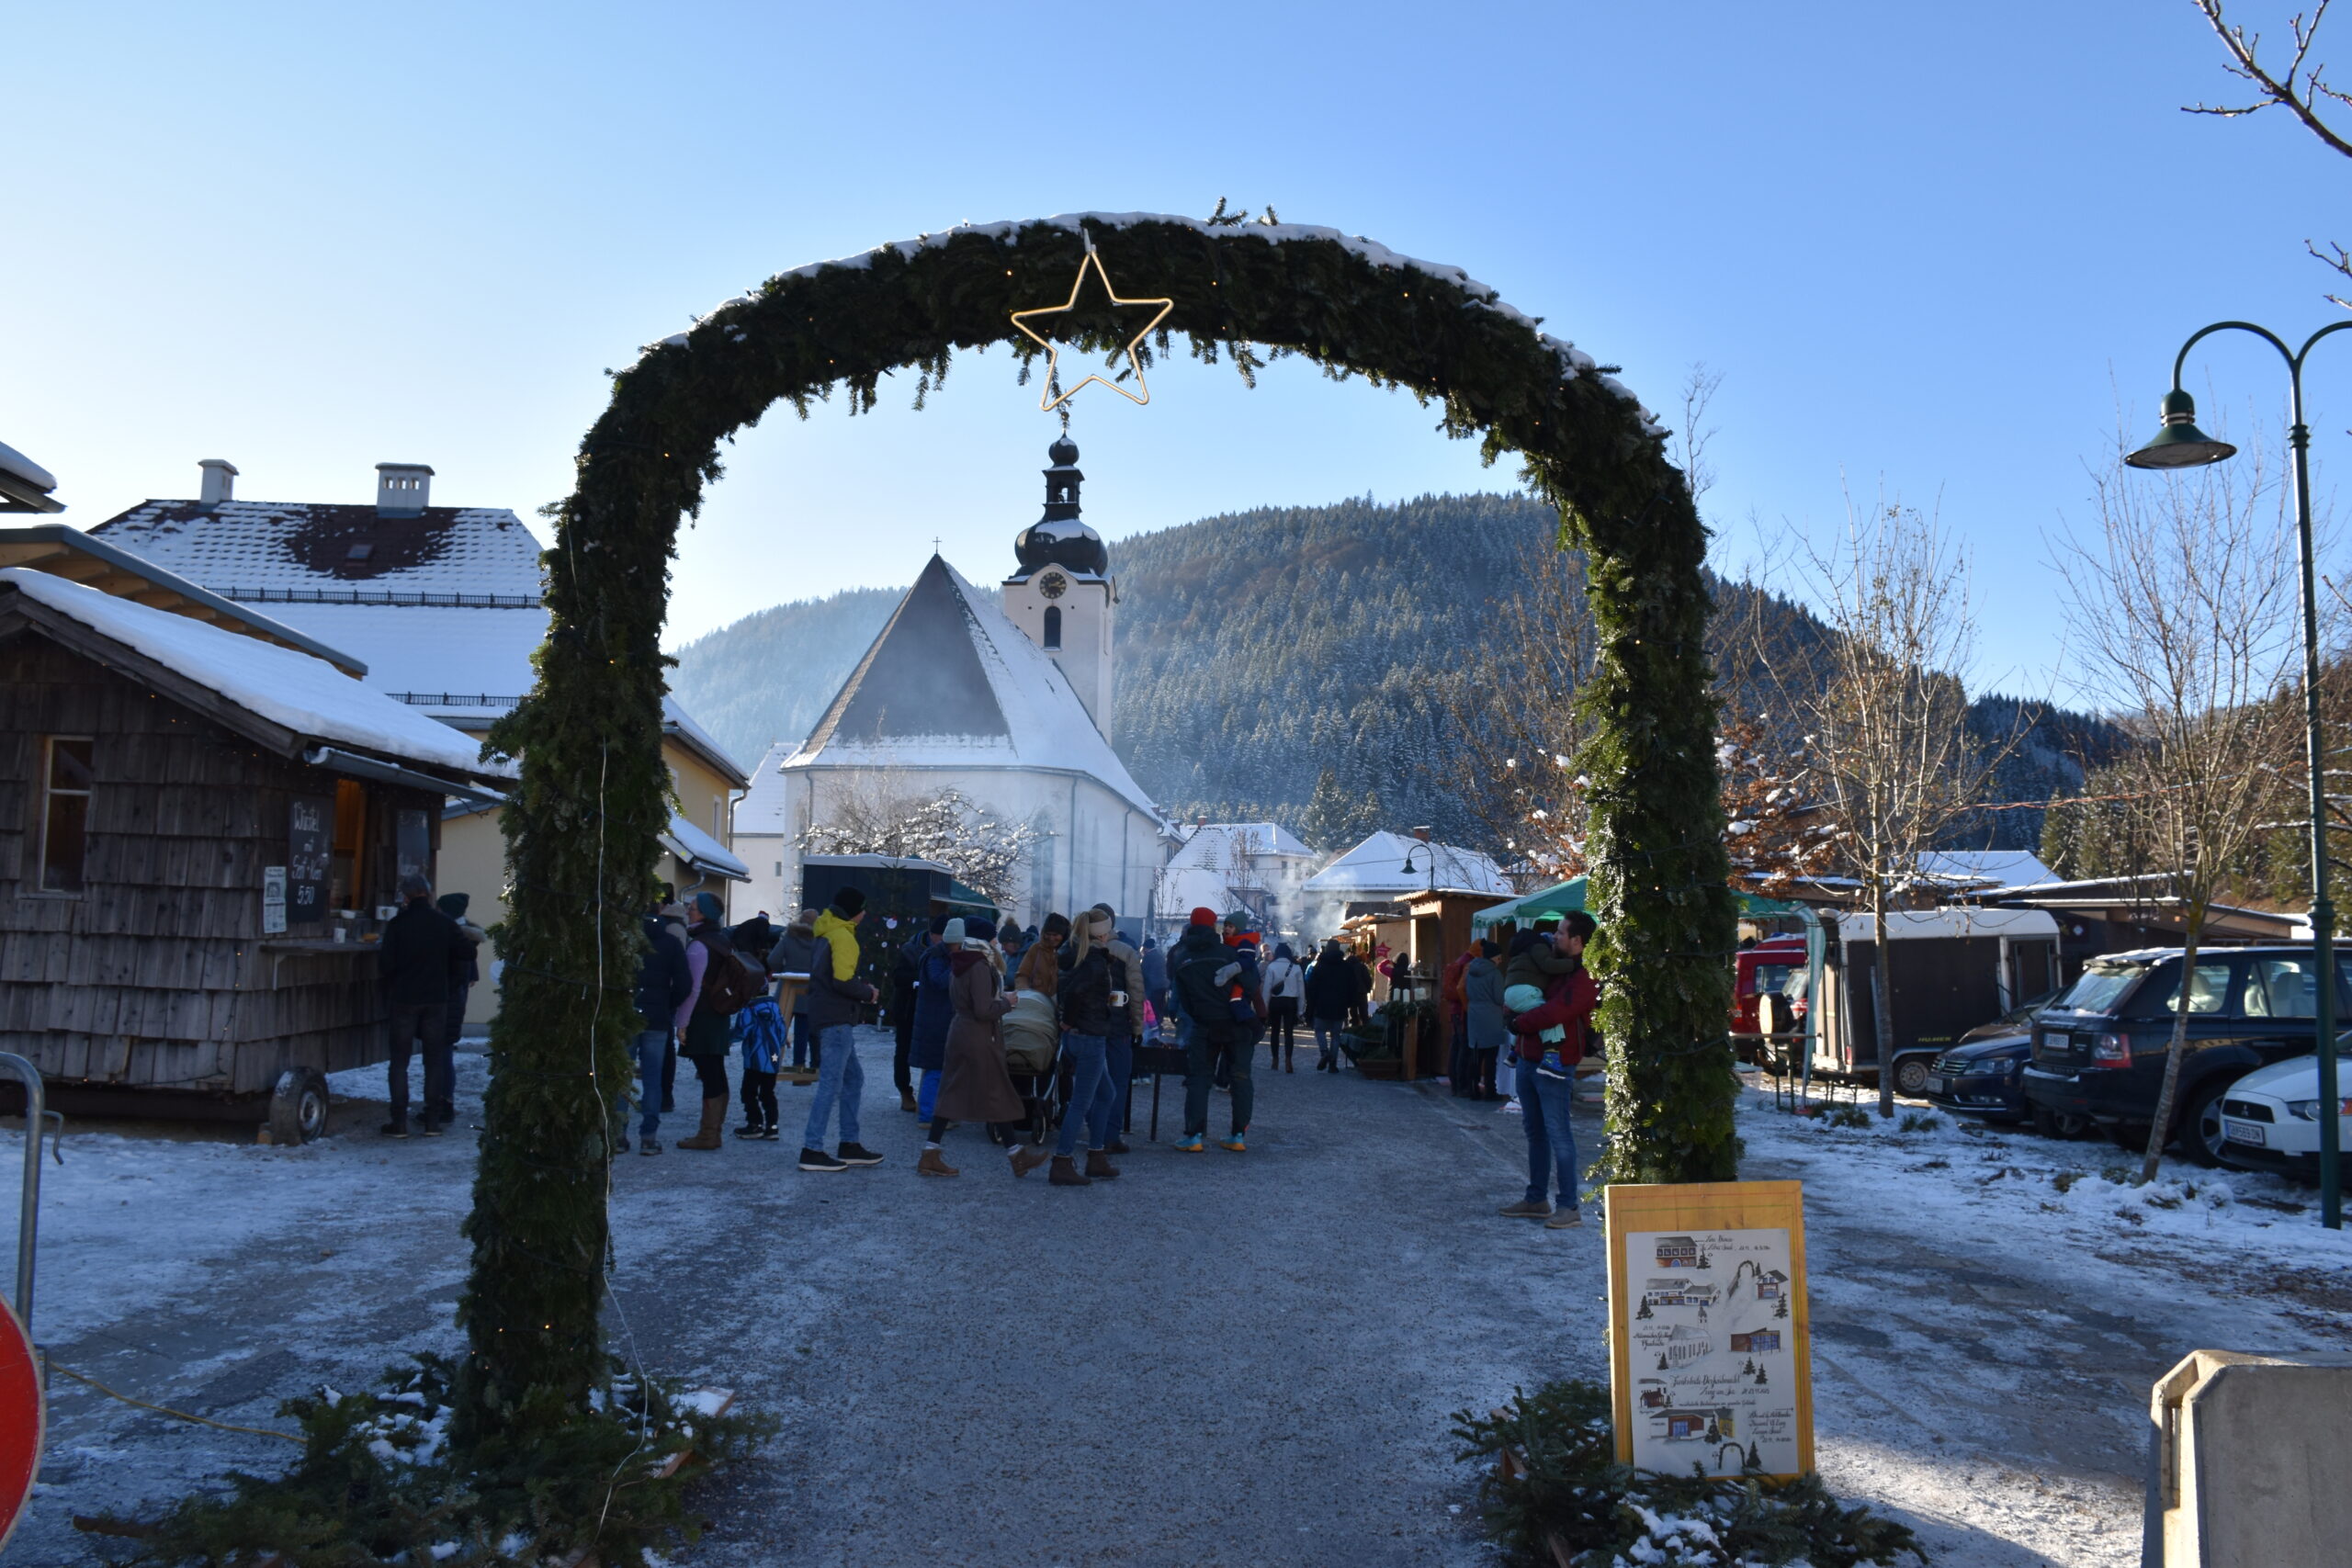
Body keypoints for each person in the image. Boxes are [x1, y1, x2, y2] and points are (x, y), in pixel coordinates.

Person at [925, 919, 1050, 1179]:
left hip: (960, 1032)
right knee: (996, 1094)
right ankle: (1017, 1156)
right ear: (984, 940)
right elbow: (984, 1010)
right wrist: (1008, 1003)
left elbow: (970, 1002)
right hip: (978, 1037)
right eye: (993, 938)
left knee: (955, 1093)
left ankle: (931, 1153)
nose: (996, 943)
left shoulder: (960, 963)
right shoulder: (979, 966)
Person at [1498, 911, 1600, 1228]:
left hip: (1555, 1065)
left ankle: (1568, 1207)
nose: (1554, 936)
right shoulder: (1554, 967)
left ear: (1577, 941)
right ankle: (1536, 1199)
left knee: (1558, 1134)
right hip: (1528, 1058)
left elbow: (1555, 1011)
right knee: (1536, 1133)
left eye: (1560, 932)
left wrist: (1518, 1021)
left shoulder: (1585, 976)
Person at [797, 887, 885, 1172]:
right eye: (863, 908)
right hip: (836, 1020)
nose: (866, 913)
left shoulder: (825, 932)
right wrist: (868, 993)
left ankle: (849, 1144)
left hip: (827, 1016)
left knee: (853, 1079)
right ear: (853, 912)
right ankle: (812, 1148)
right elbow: (843, 981)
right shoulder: (843, 936)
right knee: (831, 1085)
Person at [379, 874, 468, 1137]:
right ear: (429, 894)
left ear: (406, 897)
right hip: (437, 999)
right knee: (434, 1061)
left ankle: (399, 1122)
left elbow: (386, 965)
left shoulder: (398, 924)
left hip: (405, 997)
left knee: (399, 1062)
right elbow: (467, 953)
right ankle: (432, 1122)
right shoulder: (444, 923)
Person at [1170, 907, 1259, 1153]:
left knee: (1199, 1079)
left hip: (1204, 1026)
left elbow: (1185, 1000)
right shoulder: (1229, 953)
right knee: (1240, 1078)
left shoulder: (1182, 958)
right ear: (1213, 927)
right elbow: (1250, 983)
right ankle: (1238, 1135)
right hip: (1236, 1025)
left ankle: (1194, 1136)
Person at [677, 893, 760, 1151]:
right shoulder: (722, 940)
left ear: (703, 914)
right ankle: (712, 1132)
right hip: (718, 1015)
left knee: (710, 1072)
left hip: (702, 1017)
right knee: (715, 1072)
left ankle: (708, 1135)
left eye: (692, 908)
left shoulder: (700, 945)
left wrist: (682, 1023)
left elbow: (693, 989)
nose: (688, 911)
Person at [1049, 910, 1126, 1185]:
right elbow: (1076, 993)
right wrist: (1069, 1021)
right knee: (1082, 1102)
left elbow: (1071, 991)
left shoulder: (1073, 955)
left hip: (1080, 1036)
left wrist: (1068, 1022)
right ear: (1103, 933)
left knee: (1106, 1094)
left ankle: (1096, 1156)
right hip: (1090, 1036)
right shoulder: (1093, 960)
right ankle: (1062, 1160)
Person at [627, 898, 692, 1156]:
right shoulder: (671, 943)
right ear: (660, 913)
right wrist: (668, 1005)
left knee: (621, 1078)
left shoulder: (626, 943)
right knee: (654, 1080)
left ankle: (618, 1135)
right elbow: (684, 983)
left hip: (627, 1016)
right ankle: (648, 1138)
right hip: (658, 1018)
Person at [732, 920, 784, 1139]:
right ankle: (772, 1126)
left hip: (754, 1058)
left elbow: (742, 1031)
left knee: (749, 1092)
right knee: (768, 1093)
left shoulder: (749, 1009)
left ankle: (754, 1123)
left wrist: (726, 1039)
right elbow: (781, 1028)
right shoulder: (774, 1006)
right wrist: (780, 1044)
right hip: (772, 1056)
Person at [910, 917, 956, 1123]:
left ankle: (934, 1113)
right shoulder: (936, 956)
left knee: (938, 1069)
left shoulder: (938, 955)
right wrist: (958, 966)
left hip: (938, 1018)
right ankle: (928, 1116)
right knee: (935, 1069)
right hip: (936, 1020)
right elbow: (938, 981)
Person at [436, 892, 486, 1074]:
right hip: (457, 992)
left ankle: (444, 1098)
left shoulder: (455, 934)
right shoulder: (465, 934)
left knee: (443, 1051)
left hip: (449, 994)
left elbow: (463, 963)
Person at [768, 909, 820, 1078]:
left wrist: (786, 970)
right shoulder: (820, 940)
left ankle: (773, 1063)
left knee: (779, 1031)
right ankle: (800, 1070)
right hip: (809, 991)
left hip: (787, 990)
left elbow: (772, 960)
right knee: (803, 1033)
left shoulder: (789, 937)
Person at [1462, 939, 1508, 1101]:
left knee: (1475, 1056)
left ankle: (1472, 1089)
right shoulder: (1495, 973)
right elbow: (1499, 998)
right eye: (1499, 957)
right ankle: (1490, 1090)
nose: (1500, 960)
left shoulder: (1471, 969)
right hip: (1491, 1017)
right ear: (1493, 957)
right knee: (1490, 1058)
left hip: (1474, 1014)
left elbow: (1465, 990)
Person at [890, 920, 925, 1112]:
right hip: (907, 1009)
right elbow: (898, 978)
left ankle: (928, 1096)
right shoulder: (909, 950)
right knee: (903, 1052)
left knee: (932, 1052)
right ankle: (905, 1091)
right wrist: (919, 979)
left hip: (928, 1010)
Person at [1305, 940, 1354, 1071]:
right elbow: (1351, 987)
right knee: (1336, 1035)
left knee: (1319, 1031)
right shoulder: (1345, 966)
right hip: (1339, 1005)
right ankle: (1333, 1064)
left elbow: (1312, 987)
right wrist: (1348, 1003)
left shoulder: (1319, 966)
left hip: (1322, 1004)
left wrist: (1311, 1004)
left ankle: (1324, 1052)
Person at [1261, 942, 1305, 1072]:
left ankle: (1275, 1060)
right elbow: (1302, 991)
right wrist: (1301, 1009)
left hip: (1275, 1002)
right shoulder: (1296, 967)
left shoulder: (1271, 966)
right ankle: (1288, 1061)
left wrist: (1265, 1007)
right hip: (1290, 1002)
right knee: (1289, 1033)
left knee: (1275, 1032)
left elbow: (1267, 989)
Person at [1441, 941, 1476, 1097]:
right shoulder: (1468, 963)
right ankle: (1462, 1084)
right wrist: (1468, 1004)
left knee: (1456, 1046)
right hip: (1462, 1011)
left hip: (1454, 1010)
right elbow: (1462, 988)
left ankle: (1455, 1083)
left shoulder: (1460, 960)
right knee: (1464, 1048)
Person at [1140, 935, 1169, 1030]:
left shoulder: (1148, 957)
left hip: (1152, 988)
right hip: (1162, 986)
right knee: (1160, 1007)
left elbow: (1143, 972)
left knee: (1152, 1008)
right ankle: (1159, 1025)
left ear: (1145, 948)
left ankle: (1153, 1029)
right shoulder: (1160, 955)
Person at [1343, 943, 1374, 1028]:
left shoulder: (1346, 968)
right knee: (1364, 1013)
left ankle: (1354, 1028)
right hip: (1361, 992)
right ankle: (1365, 1031)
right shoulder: (1362, 966)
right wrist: (1367, 989)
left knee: (1353, 1013)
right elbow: (1368, 979)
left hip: (1351, 993)